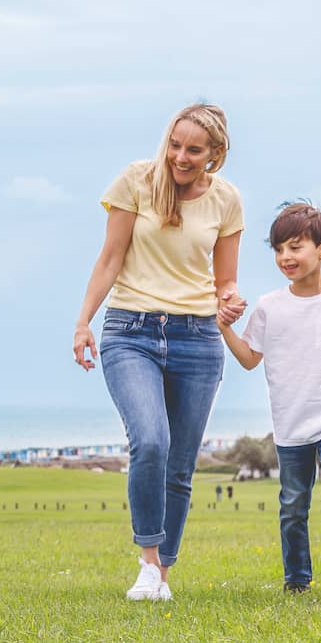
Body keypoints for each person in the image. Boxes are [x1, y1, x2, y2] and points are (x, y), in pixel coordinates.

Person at [72, 103, 245, 603]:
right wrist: (84, 322)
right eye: (175, 145)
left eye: (194, 150)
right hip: (131, 330)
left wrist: (229, 299)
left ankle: (162, 575)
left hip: (198, 339)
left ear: (215, 154)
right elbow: (110, 258)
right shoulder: (136, 181)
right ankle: (148, 562)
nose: (180, 157)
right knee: (150, 440)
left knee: (181, 463)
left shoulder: (227, 200)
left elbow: (225, 279)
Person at [218, 203, 321, 598]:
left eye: (295, 247)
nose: (285, 258)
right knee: (293, 503)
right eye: (278, 250)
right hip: (290, 425)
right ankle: (297, 581)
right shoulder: (270, 307)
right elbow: (249, 359)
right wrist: (225, 329)